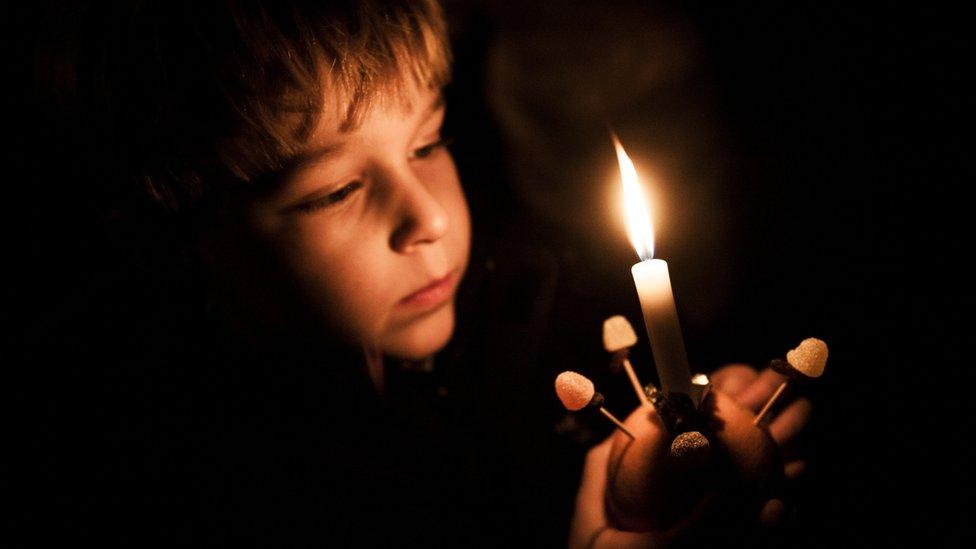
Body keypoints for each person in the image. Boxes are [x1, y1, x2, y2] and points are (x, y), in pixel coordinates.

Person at [20, 1, 811, 545]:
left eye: (428, 143)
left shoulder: (534, 305)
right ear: (192, 235)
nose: (428, 217)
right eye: (334, 190)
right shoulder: (172, 477)